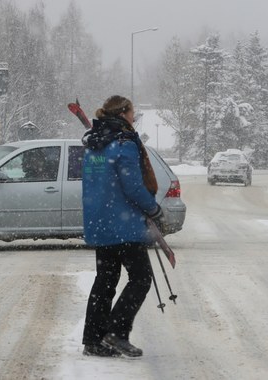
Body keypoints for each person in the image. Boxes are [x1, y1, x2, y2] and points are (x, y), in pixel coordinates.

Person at [80, 95, 164, 358]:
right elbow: (133, 186)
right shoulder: (124, 143)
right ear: (124, 113)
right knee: (141, 278)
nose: (133, 117)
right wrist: (153, 208)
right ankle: (116, 332)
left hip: (100, 222)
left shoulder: (94, 143)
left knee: (105, 280)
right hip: (124, 224)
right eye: (132, 113)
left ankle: (93, 340)